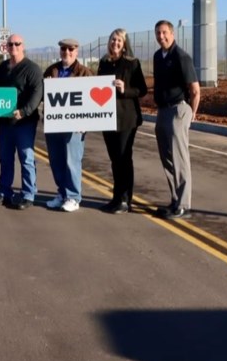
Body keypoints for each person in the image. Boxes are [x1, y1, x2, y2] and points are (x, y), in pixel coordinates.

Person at [0, 34, 44, 210]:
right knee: (5, 159)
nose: (13, 46)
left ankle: (28, 194)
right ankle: (5, 191)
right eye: (10, 44)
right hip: (5, 122)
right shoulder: (3, 67)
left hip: (24, 123)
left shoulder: (32, 69)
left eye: (17, 44)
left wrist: (24, 111)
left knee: (26, 158)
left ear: (23, 46)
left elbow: (37, 93)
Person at [152, 20, 200, 220]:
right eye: (158, 33)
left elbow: (195, 90)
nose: (161, 36)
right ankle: (175, 200)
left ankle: (184, 205)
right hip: (162, 112)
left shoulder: (181, 57)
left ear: (172, 34)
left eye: (164, 32)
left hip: (178, 110)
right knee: (167, 159)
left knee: (180, 160)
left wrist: (191, 113)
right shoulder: (157, 56)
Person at [97, 29, 148, 214]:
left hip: (126, 119)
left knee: (123, 158)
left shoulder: (132, 64)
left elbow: (142, 90)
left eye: (119, 40)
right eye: (112, 39)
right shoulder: (104, 62)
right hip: (107, 118)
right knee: (114, 160)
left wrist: (125, 89)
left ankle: (126, 199)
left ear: (124, 43)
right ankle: (116, 197)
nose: (115, 43)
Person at [42, 38, 93, 213]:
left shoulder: (84, 72)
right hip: (54, 124)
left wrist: (87, 122)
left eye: (71, 49)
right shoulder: (52, 70)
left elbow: (91, 99)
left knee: (72, 161)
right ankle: (62, 193)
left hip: (74, 126)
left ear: (77, 51)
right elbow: (43, 95)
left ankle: (73, 197)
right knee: (56, 161)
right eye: (64, 49)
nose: (67, 52)